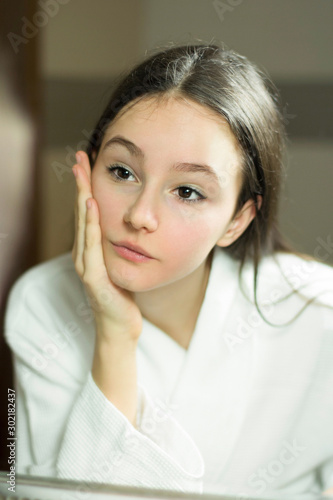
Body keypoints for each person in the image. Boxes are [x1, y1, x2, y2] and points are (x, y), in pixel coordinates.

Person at [4, 43, 333, 498]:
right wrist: (115, 335)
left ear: (237, 219)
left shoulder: (319, 313)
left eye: (188, 192)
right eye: (122, 172)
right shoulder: (42, 302)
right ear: (88, 169)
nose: (140, 215)